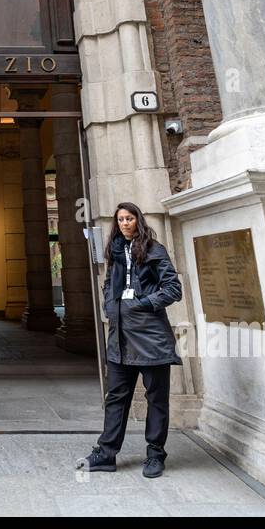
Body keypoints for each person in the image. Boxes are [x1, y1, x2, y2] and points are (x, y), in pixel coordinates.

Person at [77, 204, 182, 479]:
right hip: (120, 336)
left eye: (129, 218)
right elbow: (109, 284)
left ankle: (156, 454)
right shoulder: (113, 249)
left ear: (138, 220)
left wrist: (143, 304)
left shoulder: (154, 249)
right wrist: (110, 308)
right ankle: (106, 453)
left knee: (156, 399)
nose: (125, 223)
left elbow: (173, 289)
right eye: (120, 219)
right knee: (116, 397)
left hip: (151, 338)